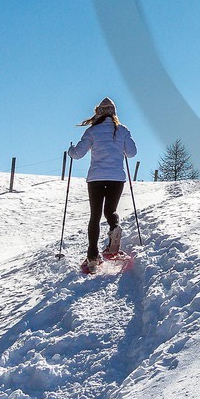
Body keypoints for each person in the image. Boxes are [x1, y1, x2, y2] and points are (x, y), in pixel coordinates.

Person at [69, 97, 137, 272]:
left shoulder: (92, 131)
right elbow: (131, 153)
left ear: (98, 113)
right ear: (114, 113)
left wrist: (71, 151)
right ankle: (114, 230)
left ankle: (92, 257)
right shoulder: (122, 130)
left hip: (96, 178)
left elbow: (77, 154)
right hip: (116, 177)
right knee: (110, 211)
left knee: (95, 216)